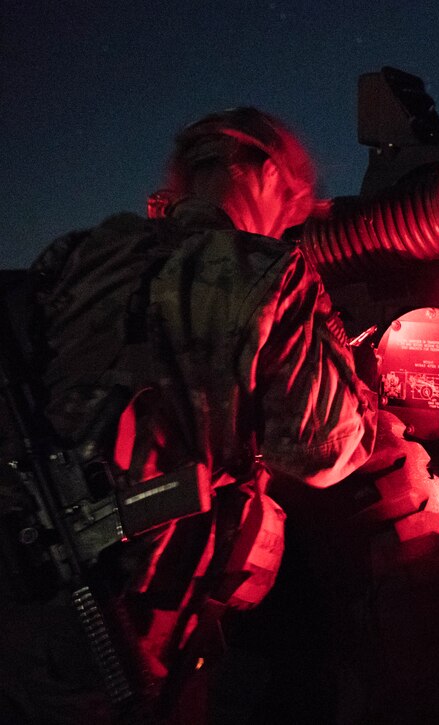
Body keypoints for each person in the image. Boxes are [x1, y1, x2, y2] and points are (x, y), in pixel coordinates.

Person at [0, 107, 379, 723]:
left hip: (24, 603)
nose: (291, 219)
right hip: (133, 629)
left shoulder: (76, 255)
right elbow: (323, 452)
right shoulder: (269, 270)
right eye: (293, 198)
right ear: (260, 171)